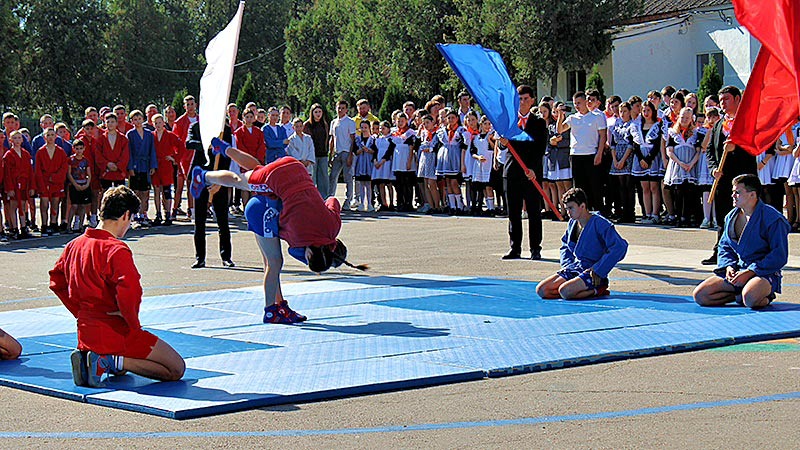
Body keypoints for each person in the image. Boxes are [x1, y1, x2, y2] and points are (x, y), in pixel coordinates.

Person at [190, 140, 366, 324]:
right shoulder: (298, 239)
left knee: (257, 168)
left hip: (295, 168)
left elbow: (332, 200)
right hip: (271, 192)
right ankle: (203, 176)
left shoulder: (333, 226)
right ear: (310, 253)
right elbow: (288, 241)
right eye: (307, 258)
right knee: (239, 181)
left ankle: (225, 149)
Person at [50, 186, 185, 388]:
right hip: (115, 329)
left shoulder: (74, 245)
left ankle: (100, 359)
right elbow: (130, 291)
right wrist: (132, 323)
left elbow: (56, 281)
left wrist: (79, 311)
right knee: (176, 368)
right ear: (126, 215)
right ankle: (108, 360)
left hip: (86, 329)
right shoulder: (116, 249)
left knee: (124, 368)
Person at [693, 174, 790, 309]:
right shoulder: (731, 217)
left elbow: (779, 255)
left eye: (737, 192)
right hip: (739, 270)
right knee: (701, 295)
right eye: (733, 192)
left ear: (752, 194)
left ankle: (763, 295)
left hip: (764, 272)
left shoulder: (773, 218)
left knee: (750, 299)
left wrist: (751, 271)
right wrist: (729, 267)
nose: (733, 195)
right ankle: (738, 294)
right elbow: (724, 247)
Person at [536, 188, 628, 300]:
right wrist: (567, 266)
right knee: (542, 290)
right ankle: (577, 288)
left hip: (593, 271)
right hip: (575, 267)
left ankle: (598, 289)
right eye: (566, 209)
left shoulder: (600, 223)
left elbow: (619, 247)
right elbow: (565, 246)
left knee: (565, 292)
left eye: (571, 208)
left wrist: (598, 270)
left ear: (582, 206)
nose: (568, 212)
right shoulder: (572, 223)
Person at [702, 86, 758, 265]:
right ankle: (721, 251)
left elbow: (754, 147)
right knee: (723, 216)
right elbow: (710, 150)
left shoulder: (747, 122)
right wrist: (713, 169)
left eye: (726, 99)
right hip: (722, 179)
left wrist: (736, 149)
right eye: (720, 100)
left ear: (737, 99)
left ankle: (747, 251)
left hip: (742, 179)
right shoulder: (719, 124)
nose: (722, 103)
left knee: (744, 215)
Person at [499, 85, 547, 260]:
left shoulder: (539, 122)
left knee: (534, 212)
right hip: (512, 171)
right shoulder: (510, 122)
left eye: (526, 99)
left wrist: (533, 168)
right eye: (520, 99)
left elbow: (540, 147)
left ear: (532, 100)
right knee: (513, 212)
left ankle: (535, 248)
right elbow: (502, 145)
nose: (523, 102)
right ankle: (515, 248)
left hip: (531, 173)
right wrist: (503, 142)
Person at [186, 121, 234, 269]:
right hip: (200, 177)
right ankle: (200, 258)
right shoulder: (196, 127)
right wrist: (209, 145)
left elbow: (227, 155)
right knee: (199, 221)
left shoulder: (224, 129)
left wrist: (220, 181)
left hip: (218, 177)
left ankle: (226, 257)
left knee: (222, 220)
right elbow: (189, 143)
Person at [556, 91, 608, 212]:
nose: (577, 106)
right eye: (575, 103)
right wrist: (560, 116)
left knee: (595, 185)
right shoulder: (572, 118)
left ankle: (598, 211)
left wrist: (599, 153)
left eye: (579, 103)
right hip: (576, 155)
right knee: (580, 186)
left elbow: (603, 136)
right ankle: (583, 211)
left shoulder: (596, 117)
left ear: (586, 102)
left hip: (591, 154)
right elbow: (560, 129)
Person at [34, 128, 69, 236]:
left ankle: (53, 224)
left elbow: (64, 167)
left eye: (52, 135)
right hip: (44, 182)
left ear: (55, 136)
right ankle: (44, 225)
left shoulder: (60, 151)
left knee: (55, 204)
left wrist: (55, 178)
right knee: (44, 204)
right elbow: (38, 170)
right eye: (48, 135)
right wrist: (41, 183)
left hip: (56, 183)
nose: (50, 137)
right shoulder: (40, 152)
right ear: (44, 137)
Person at [126, 110, 157, 226]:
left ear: (143, 119)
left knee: (145, 192)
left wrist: (153, 165)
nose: (138, 121)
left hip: (145, 165)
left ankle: (144, 213)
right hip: (135, 164)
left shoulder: (149, 134)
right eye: (135, 119)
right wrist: (130, 167)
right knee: (135, 191)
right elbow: (129, 152)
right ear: (131, 121)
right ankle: (134, 214)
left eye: (139, 119)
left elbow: (152, 150)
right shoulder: (130, 134)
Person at [3, 130, 35, 239]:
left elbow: (30, 171)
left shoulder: (26, 154)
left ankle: (23, 227)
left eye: (19, 138)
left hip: (24, 183)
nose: (17, 140)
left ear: (22, 140)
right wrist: (9, 188)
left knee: (23, 204)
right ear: (10, 140)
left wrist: (31, 186)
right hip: (14, 183)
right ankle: (14, 228)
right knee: (13, 206)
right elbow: (7, 174)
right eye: (15, 138)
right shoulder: (8, 155)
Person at [151, 114, 180, 226]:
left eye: (160, 122)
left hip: (166, 166)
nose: (158, 125)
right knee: (156, 190)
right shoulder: (151, 136)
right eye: (156, 123)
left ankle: (167, 214)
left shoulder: (170, 135)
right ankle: (158, 214)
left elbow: (181, 146)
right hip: (155, 166)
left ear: (164, 123)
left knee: (166, 191)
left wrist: (174, 158)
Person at [328, 100, 357, 209]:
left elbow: (353, 139)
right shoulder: (334, 122)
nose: (340, 110)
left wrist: (350, 155)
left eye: (343, 108)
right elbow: (332, 139)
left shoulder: (350, 122)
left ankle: (348, 201)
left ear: (346, 110)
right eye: (338, 108)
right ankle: (330, 198)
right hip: (337, 152)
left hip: (346, 152)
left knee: (347, 177)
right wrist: (330, 154)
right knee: (333, 177)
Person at [96, 113, 129, 191]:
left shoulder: (123, 138)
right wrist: (107, 164)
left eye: (112, 122)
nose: (110, 124)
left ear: (116, 123)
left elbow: (125, 155)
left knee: (120, 194)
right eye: (108, 122)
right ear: (105, 123)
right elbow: (98, 154)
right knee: (106, 193)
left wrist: (118, 166)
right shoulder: (101, 139)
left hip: (119, 172)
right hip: (106, 172)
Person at [304, 103, 330, 197]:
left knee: (324, 177)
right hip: (312, 155)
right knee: (312, 177)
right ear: (312, 113)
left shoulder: (324, 124)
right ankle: (312, 197)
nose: (318, 114)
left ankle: (324, 198)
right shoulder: (307, 125)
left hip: (323, 154)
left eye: (319, 112)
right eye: (316, 112)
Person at [66, 139, 92, 232]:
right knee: (74, 206)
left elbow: (89, 174)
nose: (79, 151)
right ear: (73, 149)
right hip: (74, 185)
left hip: (84, 184)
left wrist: (87, 184)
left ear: (84, 148)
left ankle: (80, 225)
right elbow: (69, 173)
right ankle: (69, 226)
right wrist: (75, 184)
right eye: (77, 148)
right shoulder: (71, 160)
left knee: (83, 206)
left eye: (81, 148)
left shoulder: (86, 160)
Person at [352, 120, 375, 211]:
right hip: (360, 164)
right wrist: (361, 150)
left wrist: (368, 150)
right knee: (361, 184)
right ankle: (361, 203)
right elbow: (355, 151)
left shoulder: (373, 140)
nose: (364, 129)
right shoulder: (358, 140)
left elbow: (375, 151)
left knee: (369, 184)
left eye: (366, 127)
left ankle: (369, 204)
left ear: (369, 128)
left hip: (369, 164)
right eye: (362, 127)